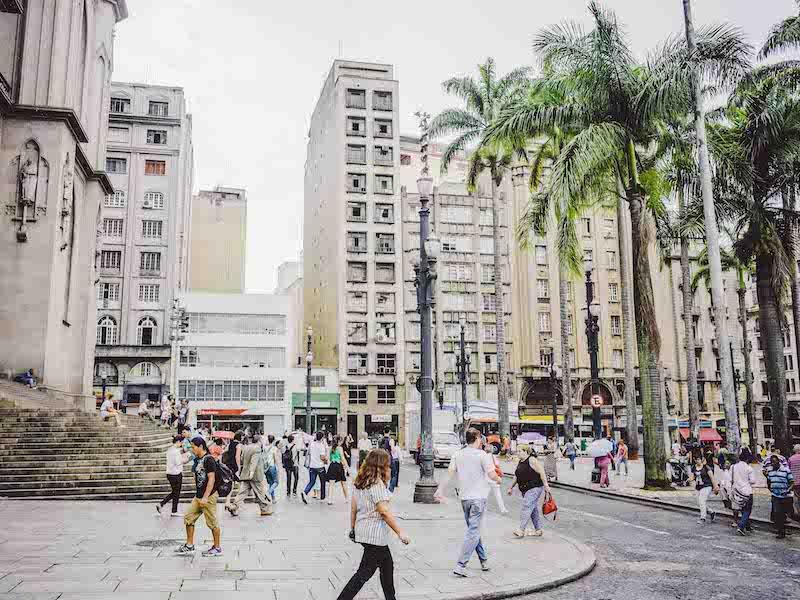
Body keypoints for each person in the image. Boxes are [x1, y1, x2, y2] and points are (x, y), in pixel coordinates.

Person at [335, 449, 410, 600]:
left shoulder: (360, 482)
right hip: (375, 535)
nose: (389, 468)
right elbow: (384, 511)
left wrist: (353, 528)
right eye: (387, 465)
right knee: (364, 573)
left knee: (387, 566)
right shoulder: (376, 484)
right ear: (381, 466)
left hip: (365, 531)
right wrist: (400, 532)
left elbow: (354, 508)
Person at [434, 428, 501, 578]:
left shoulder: (458, 454)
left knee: (473, 530)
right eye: (481, 438)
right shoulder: (482, 455)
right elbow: (492, 474)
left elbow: (449, 474)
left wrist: (440, 490)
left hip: (464, 498)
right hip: (479, 497)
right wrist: (499, 479)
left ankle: (483, 560)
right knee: (473, 531)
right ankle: (461, 565)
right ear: (477, 438)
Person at [175, 437, 222, 556]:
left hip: (209, 496)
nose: (192, 449)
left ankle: (217, 547)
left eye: (193, 447)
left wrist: (206, 497)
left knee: (212, 522)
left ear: (201, 446)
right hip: (199, 495)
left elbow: (212, 479)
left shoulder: (209, 459)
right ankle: (189, 545)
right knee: (189, 517)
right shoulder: (197, 459)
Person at [508, 445, 551, 537]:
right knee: (533, 509)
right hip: (525, 489)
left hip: (534, 487)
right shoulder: (520, 461)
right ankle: (538, 530)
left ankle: (521, 530)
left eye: (520, 451)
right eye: (517, 451)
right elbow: (516, 476)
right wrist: (511, 487)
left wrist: (546, 485)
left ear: (526, 451)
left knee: (526, 506)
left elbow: (542, 471)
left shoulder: (532, 460)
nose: (518, 453)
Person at [227, 434, 273, 517]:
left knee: (242, 492)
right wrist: (251, 472)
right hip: (254, 475)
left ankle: (234, 506)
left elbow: (241, 459)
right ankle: (264, 509)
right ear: (259, 441)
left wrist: (242, 470)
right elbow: (254, 461)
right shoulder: (257, 449)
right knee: (260, 492)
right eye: (262, 440)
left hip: (245, 474)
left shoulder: (246, 447)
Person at [765, 453, 795, 539]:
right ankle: (781, 531)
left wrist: (788, 490)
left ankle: (783, 529)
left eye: (774, 462)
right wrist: (770, 488)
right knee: (778, 513)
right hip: (775, 496)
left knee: (788, 514)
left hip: (785, 496)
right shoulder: (770, 471)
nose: (773, 464)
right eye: (771, 462)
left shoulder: (786, 470)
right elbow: (769, 480)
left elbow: (792, 482)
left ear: (778, 462)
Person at [158, 435, 186, 516]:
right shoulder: (176, 451)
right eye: (181, 442)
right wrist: (186, 459)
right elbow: (178, 462)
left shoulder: (170, 449)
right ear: (178, 442)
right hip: (176, 474)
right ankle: (172, 509)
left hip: (169, 473)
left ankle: (164, 505)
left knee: (175, 492)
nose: (181, 444)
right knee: (176, 492)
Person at [730, 448, 756, 535]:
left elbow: (730, 479)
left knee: (742, 509)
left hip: (736, 491)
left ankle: (747, 525)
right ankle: (741, 526)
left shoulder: (733, 467)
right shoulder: (749, 468)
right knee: (747, 510)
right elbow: (753, 481)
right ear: (747, 458)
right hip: (747, 491)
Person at [689, 453, 719, 524]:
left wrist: (715, 487)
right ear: (694, 460)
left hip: (707, 486)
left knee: (702, 500)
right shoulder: (694, 467)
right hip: (698, 487)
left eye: (699, 459)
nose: (698, 461)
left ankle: (703, 518)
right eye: (696, 460)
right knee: (699, 502)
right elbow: (693, 476)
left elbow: (712, 478)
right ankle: (711, 512)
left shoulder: (706, 467)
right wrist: (689, 479)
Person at [301, 431, 329, 503]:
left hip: (312, 466)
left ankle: (305, 492)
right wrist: (326, 460)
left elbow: (309, 453)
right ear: (322, 437)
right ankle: (322, 498)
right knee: (323, 482)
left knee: (312, 481)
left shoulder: (312, 444)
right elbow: (322, 457)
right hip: (320, 467)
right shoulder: (321, 446)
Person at [326, 435, 350, 505]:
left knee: (331, 484)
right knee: (343, 483)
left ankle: (329, 499)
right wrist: (348, 468)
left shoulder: (330, 448)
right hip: (339, 466)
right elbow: (343, 458)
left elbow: (328, 458)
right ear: (339, 441)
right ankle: (347, 498)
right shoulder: (340, 448)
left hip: (332, 466)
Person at [222, 431, 243, 510]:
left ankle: (227, 502)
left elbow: (224, 452)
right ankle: (238, 502)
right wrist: (238, 468)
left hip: (228, 465)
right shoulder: (239, 445)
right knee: (240, 484)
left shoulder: (230, 444)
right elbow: (237, 457)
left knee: (231, 484)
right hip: (234, 466)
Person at [486, 444, 508, 514]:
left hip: (486, 479)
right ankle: (503, 509)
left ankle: (484, 508)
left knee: (485, 495)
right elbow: (497, 466)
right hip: (495, 478)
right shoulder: (493, 457)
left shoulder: (482, 457)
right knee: (498, 495)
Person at [264, 434, 282, 502]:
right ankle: (268, 493)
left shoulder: (264, 448)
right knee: (276, 482)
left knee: (271, 483)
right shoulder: (274, 448)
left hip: (266, 467)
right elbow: (276, 458)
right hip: (272, 466)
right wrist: (278, 468)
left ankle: (273, 498)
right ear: (273, 440)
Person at [788, 444, 800, 519]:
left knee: (796, 497)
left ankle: (798, 513)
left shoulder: (790, 459)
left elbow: (788, 470)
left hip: (795, 482)